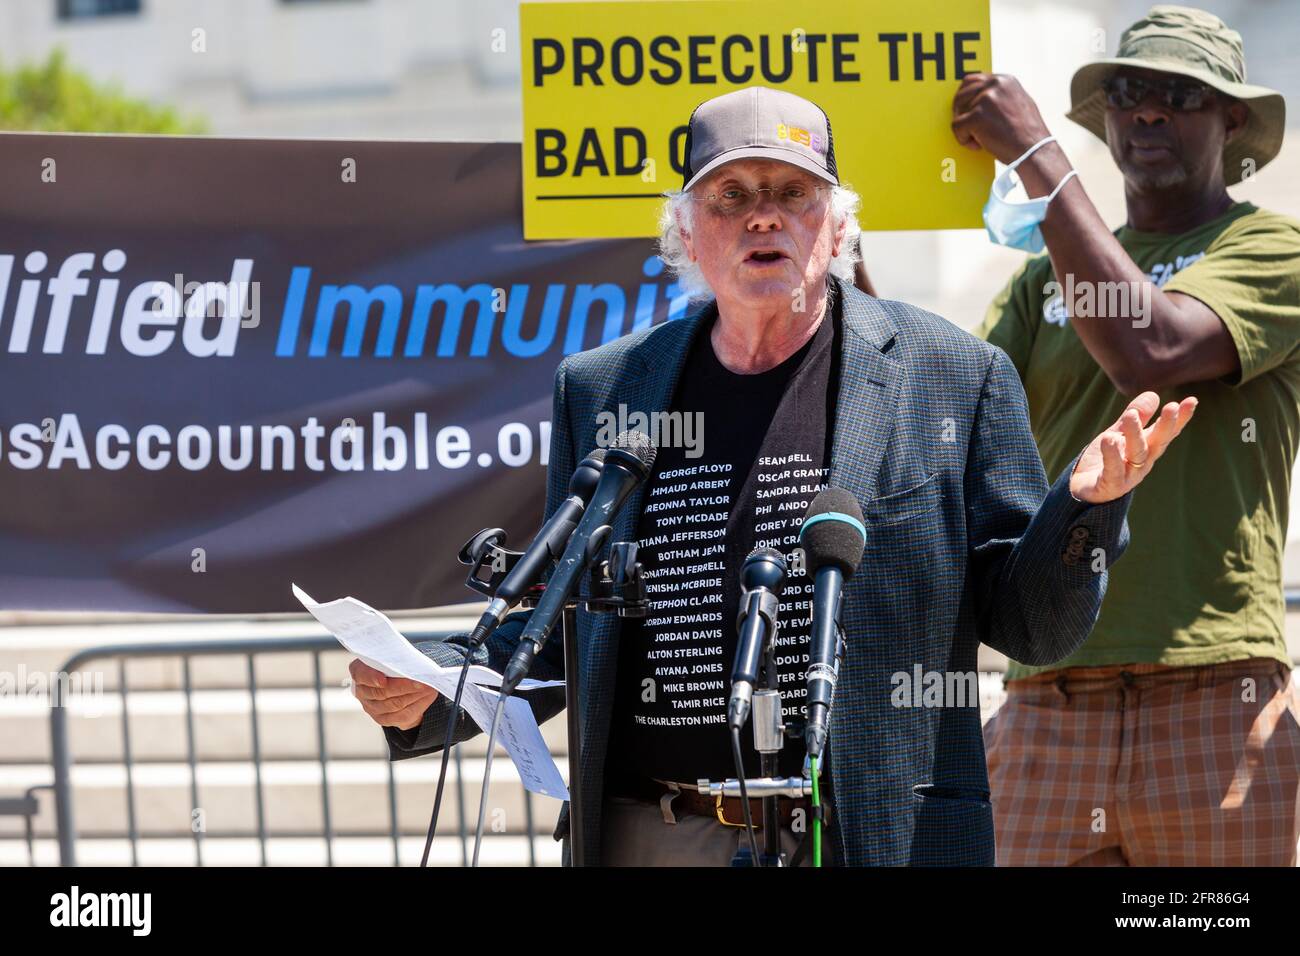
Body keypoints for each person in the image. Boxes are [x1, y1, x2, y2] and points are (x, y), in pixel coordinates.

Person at [351, 85, 1194, 866]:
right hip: (656, 833)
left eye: (793, 195)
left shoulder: (950, 374)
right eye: (732, 197)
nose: (765, 219)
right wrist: (433, 689)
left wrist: (1085, 511)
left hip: (866, 832)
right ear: (685, 233)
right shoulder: (606, 387)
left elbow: (1031, 626)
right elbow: (565, 614)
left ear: (836, 227)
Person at [954, 4, 1300, 865]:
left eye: (1178, 95)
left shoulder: (1274, 248)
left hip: (1214, 688)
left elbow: (1153, 348)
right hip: (1048, 694)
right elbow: (943, 408)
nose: (1146, 111)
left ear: (1231, 119)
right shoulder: (1044, 280)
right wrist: (837, 270)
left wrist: (1041, 161)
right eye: (1128, 91)